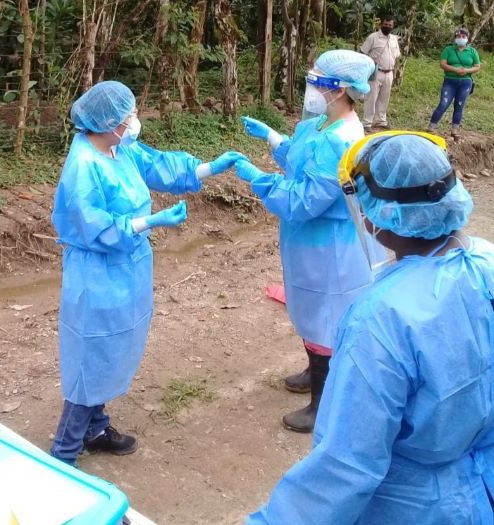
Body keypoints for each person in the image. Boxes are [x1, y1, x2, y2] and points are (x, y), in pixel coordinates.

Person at [246, 132, 494, 525]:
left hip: (414, 507)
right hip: (482, 489)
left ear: (380, 215)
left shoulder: (380, 318)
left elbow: (346, 465)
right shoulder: (485, 262)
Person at [50, 80, 246, 465]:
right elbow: (96, 227)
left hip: (127, 269)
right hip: (97, 273)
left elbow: (157, 164)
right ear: (107, 122)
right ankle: (63, 453)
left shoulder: (117, 147)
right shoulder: (83, 167)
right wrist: (148, 222)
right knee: (91, 357)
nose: (134, 120)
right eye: (128, 116)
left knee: (111, 351)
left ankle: (96, 427)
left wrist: (208, 167)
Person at [237, 50, 378, 433]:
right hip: (306, 244)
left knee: (326, 318)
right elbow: (301, 161)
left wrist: (258, 179)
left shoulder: (343, 139)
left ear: (340, 89)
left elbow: (304, 200)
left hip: (327, 246)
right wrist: (272, 138)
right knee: (310, 312)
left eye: (318, 80)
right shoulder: (319, 125)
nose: (311, 86)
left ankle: (323, 405)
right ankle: (315, 369)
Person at [428, 27, 481, 140]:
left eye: (463, 37)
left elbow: (477, 67)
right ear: (455, 38)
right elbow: (443, 64)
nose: (461, 38)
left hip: (466, 82)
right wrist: (455, 70)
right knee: (444, 103)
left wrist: (466, 71)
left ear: (467, 38)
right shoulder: (449, 50)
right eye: (458, 36)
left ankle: (455, 130)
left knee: (459, 105)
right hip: (450, 81)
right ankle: (431, 127)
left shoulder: (472, 51)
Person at [360, 15, 400, 131]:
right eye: (386, 24)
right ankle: (367, 122)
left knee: (384, 98)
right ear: (381, 24)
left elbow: (396, 55)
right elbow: (362, 53)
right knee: (371, 97)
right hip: (376, 71)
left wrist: (395, 71)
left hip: (389, 73)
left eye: (390, 25)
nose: (388, 27)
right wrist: (371, 60)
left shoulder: (393, 39)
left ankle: (380, 120)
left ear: (393, 26)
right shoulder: (373, 37)